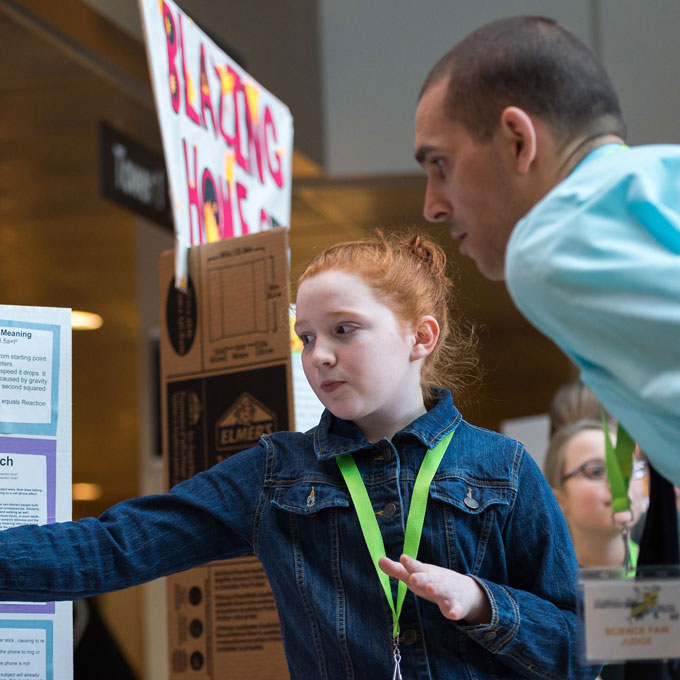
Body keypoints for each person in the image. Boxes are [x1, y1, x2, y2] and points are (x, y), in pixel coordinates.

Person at [0, 231, 598, 679]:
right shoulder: (274, 473)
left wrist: (479, 602)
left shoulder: (504, 467)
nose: (318, 356)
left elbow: (580, 650)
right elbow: (113, 548)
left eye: (345, 330)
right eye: (307, 337)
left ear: (421, 337)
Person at [415, 15, 680, 490]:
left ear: (518, 140)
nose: (432, 206)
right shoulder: (663, 176)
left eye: (441, 164)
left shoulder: (552, 240)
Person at [543, 419, 647, 569]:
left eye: (627, 468)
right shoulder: (542, 585)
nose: (619, 483)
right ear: (557, 500)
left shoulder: (668, 568)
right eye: (596, 471)